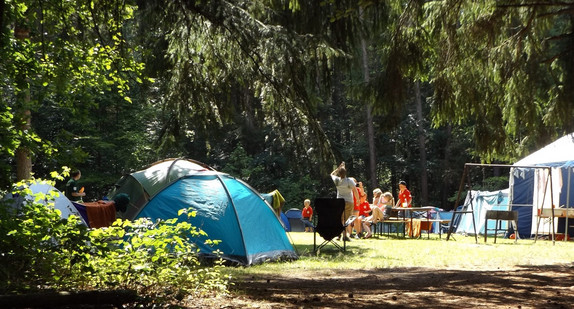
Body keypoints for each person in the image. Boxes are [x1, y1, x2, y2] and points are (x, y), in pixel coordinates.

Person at [330, 162, 359, 241]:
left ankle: (338, 235)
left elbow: (332, 174)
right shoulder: (349, 181)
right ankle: (345, 236)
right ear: (346, 173)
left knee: (340, 219)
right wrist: (358, 200)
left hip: (339, 202)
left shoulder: (337, 180)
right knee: (346, 219)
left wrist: (338, 168)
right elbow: (355, 190)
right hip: (349, 201)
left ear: (339, 173)